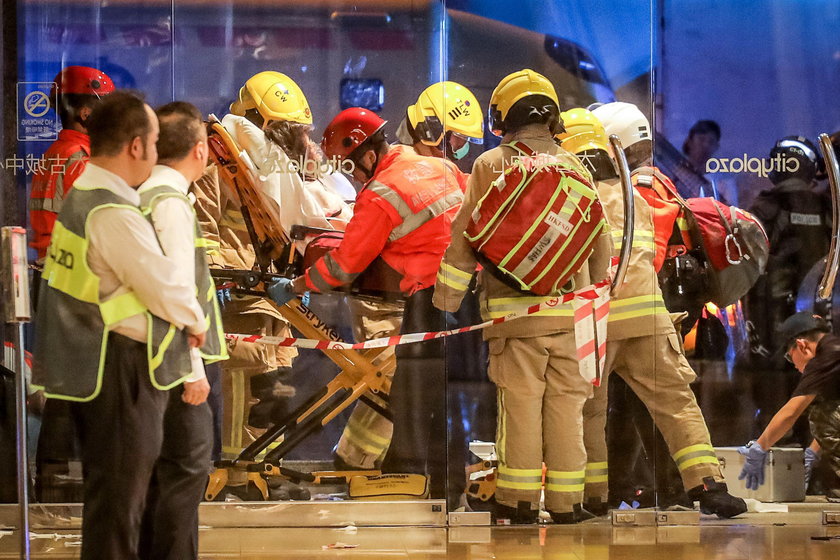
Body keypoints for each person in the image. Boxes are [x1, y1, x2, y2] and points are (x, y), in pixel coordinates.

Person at [32, 90, 207, 559]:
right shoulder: (110, 209)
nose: (156, 154)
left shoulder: (84, 196)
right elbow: (164, 285)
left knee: (112, 503)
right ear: (136, 146)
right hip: (118, 370)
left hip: (96, 366)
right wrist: (195, 320)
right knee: (118, 510)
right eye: (153, 143)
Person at [433, 69, 612, 524]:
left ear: (503, 116)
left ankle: (518, 501)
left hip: (513, 320)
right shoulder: (576, 167)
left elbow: (463, 238)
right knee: (567, 410)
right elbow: (599, 241)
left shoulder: (492, 164)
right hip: (570, 317)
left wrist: (446, 302)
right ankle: (568, 503)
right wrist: (592, 298)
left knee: (520, 409)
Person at [267, 107, 464, 506]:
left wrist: (297, 285)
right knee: (445, 398)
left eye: (354, 168)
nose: (355, 177)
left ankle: (407, 479)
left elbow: (343, 266)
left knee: (409, 396)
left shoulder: (381, 193)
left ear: (368, 155)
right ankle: (445, 487)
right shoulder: (438, 167)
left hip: (425, 300)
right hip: (467, 298)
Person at [561, 108, 747, 519]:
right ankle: (709, 485)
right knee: (678, 403)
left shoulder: (578, 198)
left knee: (591, 409)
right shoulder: (648, 196)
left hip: (598, 325)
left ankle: (595, 495)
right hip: (649, 319)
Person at [136, 101, 228, 560]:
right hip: (178, 362)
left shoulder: (149, 195)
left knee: (169, 473)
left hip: (159, 360)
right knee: (187, 470)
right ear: (200, 150)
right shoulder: (169, 203)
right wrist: (193, 369)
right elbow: (175, 289)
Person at [30, 66, 113, 502]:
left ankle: (52, 475)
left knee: (64, 385)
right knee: (81, 385)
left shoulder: (52, 155)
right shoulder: (82, 162)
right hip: (77, 285)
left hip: (53, 277)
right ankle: (63, 478)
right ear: (84, 110)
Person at [745, 136, 831, 440]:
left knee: (773, 394)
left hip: (771, 315)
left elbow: (746, 265)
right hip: (821, 316)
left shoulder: (764, 207)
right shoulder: (827, 207)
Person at [738, 312, 840, 502]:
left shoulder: (825, 358)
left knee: (819, 414)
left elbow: (791, 412)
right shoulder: (834, 351)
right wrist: (811, 454)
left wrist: (759, 448)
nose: (792, 364)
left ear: (802, 345)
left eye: (789, 355)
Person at [29, 65, 114, 263]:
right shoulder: (83, 159)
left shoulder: (55, 153)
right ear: (86, 114)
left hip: (54, 262)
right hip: (74, 265)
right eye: (108, 112)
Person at [396, 80, 484, 164]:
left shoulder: (433, 165)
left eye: (466, 138)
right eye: (459, 135)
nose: (462, 144)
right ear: (431, 128)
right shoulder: (398, 168)